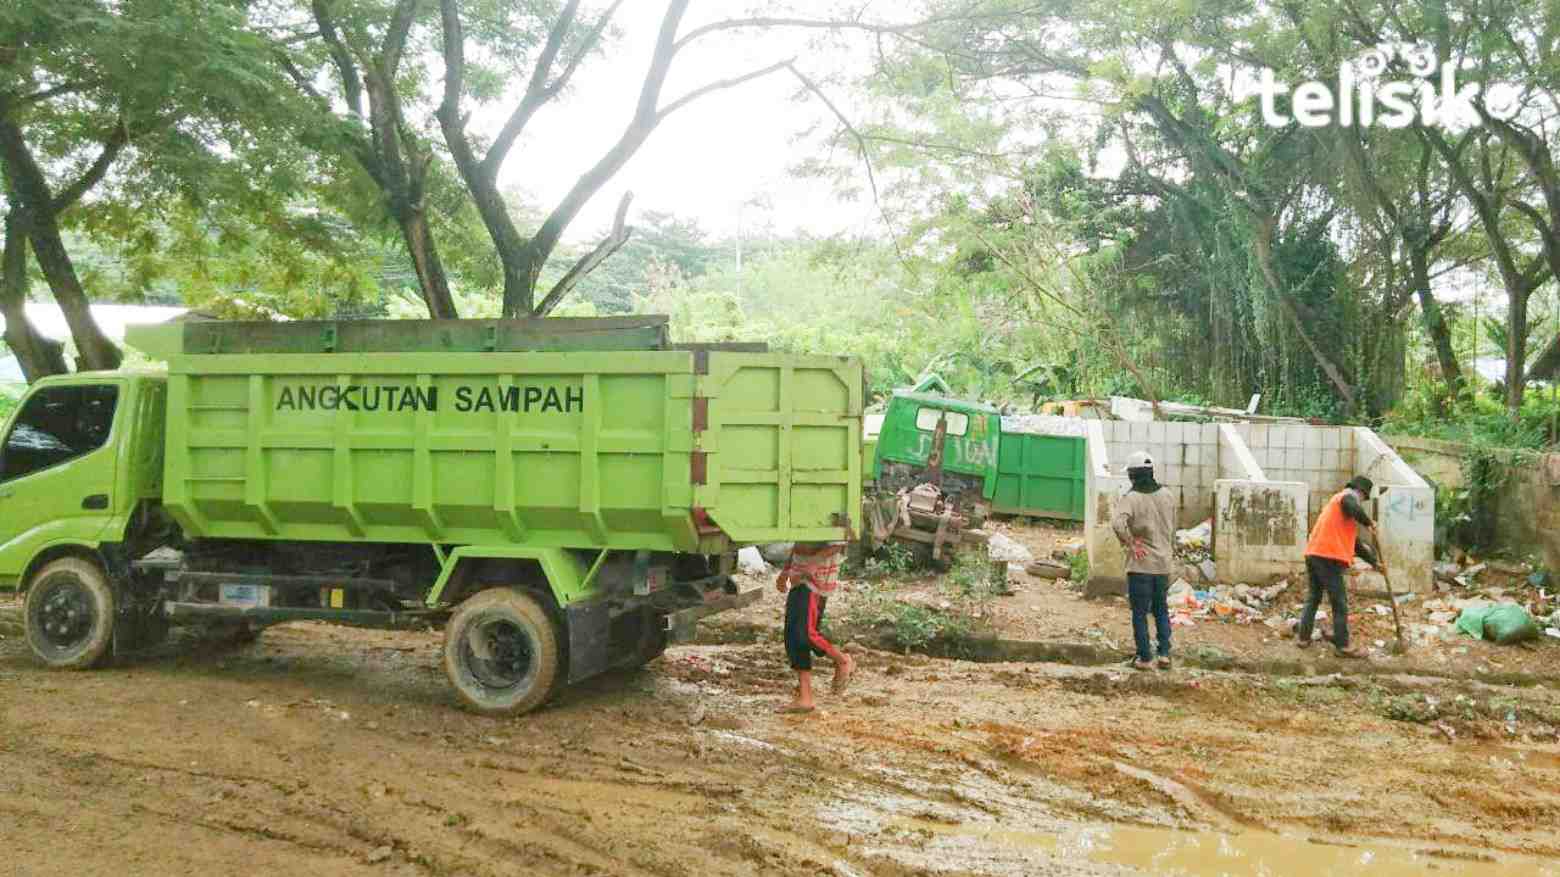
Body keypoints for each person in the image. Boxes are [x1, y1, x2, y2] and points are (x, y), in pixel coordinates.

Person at [1298, 475, 1384, 658]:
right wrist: (1369, 523)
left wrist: (1374, 563)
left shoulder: (1340, 512)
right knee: (1339, 602)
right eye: (1363, 497)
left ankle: (1303, 637)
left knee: (1313, 597)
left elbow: (1355, 545)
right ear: (1360, 491)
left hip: (1314, 554)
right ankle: (1342, 645)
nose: (1361, 501)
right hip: (1327, 557)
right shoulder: (1346, 497)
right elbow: (1352, 505)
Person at [1111, 450, 1177, 671]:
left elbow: (1118, 524)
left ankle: (1145, 657)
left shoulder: (1131, 498)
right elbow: (1172, 528)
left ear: (1132, 475)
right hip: (1163, 564)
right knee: (1161, 610)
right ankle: (1164, 654)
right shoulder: (1167, 495)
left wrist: (1131, 543)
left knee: (1139, 613)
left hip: (1141, 565)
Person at [775, 542, 854, 712]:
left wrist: (814, 562)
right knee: (793, 637)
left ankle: (842, 660)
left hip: (814, 579)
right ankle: (805, 698)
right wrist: (786, 569)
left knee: (805, 633)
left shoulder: (831, 524)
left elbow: (839, 542)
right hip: (798, 576)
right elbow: (800, 541)